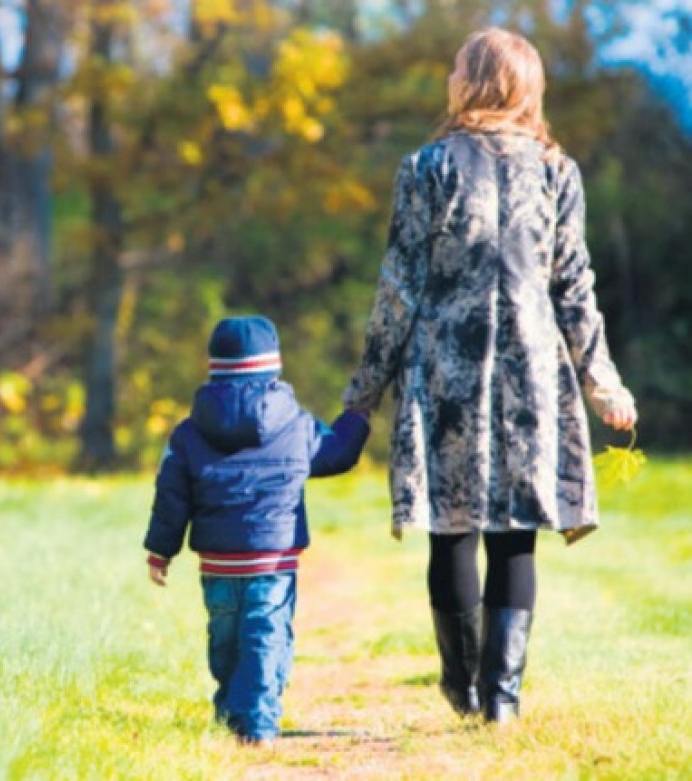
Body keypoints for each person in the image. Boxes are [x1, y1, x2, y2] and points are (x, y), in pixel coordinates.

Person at [342, 28, 638, 724]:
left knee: (452, 527)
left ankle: (465, 687)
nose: (449, 76)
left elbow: (399, 289)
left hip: (447, 370)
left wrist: (364, 390)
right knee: (514, 533)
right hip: (532, 371)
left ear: (475, 80)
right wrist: (603, 383)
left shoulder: (426, 169)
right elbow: (575, 287)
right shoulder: (557, 171)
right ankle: (500, 700)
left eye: (456, 68)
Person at [144, 315, 370, 744]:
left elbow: (171, 497)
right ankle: (259, 726)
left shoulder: (188, 433)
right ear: (273, 366)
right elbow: (337, 454)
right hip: (272, 558)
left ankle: (233, 716)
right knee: (266, 637)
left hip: (217, 564)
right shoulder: (297, 425)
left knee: (226, 642)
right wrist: (357, 416)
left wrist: (161, 550)